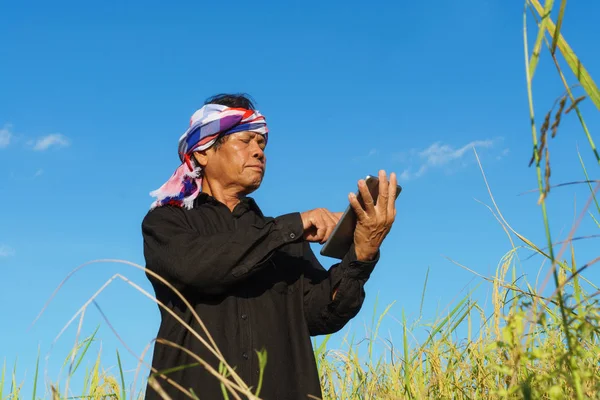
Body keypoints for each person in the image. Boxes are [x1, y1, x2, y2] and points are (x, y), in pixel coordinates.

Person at [141, 93, 398, 400]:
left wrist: (362, 254)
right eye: (246, 141)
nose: (259, 152)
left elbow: (320, 315)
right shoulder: (167, 223)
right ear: (203, 152)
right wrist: (291, 227)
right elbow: (197, 268)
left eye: (262, 144)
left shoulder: (285, 241)